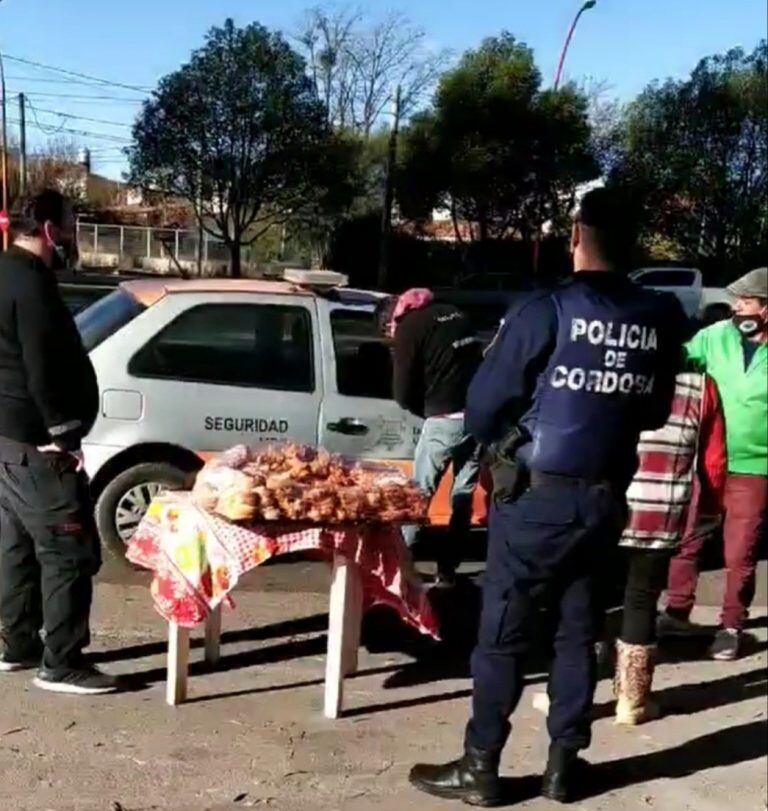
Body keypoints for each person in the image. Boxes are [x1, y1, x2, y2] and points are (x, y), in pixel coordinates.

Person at [408, 188, 685, 806]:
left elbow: (481, 407)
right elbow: (655, 407)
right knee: (577, 630)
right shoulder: (659, 315)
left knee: (502, 634)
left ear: (576, 235)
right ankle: (564, 766)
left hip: (536, 500)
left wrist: (509, 441)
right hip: (604, 496)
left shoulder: (545, 310)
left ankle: (481, 766)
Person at [0, 189, 118, 694]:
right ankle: (62, 661)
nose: (72, 233)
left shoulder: (4, 270)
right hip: (35, 443)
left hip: (6, 439)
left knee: (16, 545)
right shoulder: (30, 283)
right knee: (67, 548)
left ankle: (16, 643)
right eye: (69, 223)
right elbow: (41, 363)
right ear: (49, 229)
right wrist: (63, 435)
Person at [659, 267, 768, 661]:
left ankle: (731, 626)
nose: (738, 308)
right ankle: (676, 613)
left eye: (748, 302)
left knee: (740, 551)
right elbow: (678, 363)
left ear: (767, 309)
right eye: (737, 301)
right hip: (708, 456)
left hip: (756, 465)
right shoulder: (715, 336)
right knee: (688, 537)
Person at [614, 369, 726, 724]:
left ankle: (570, 696)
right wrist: (709, 508)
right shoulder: (701, 386)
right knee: (642, 601)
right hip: (662, 512)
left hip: (607, 506)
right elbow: (713, 460)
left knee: (587, 601)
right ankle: (632, 702)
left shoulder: (612, 372)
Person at [377, 289, 482, 586]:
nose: (390, 337)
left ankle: (401, 565)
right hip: (476, 416)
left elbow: (402, 391)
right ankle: (448, 570)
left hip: (443, 420)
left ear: (391, 321)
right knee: (462, 496)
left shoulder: (408, 329)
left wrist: (424, 410)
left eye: (387, 332)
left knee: (418, 495)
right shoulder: (453, 311)